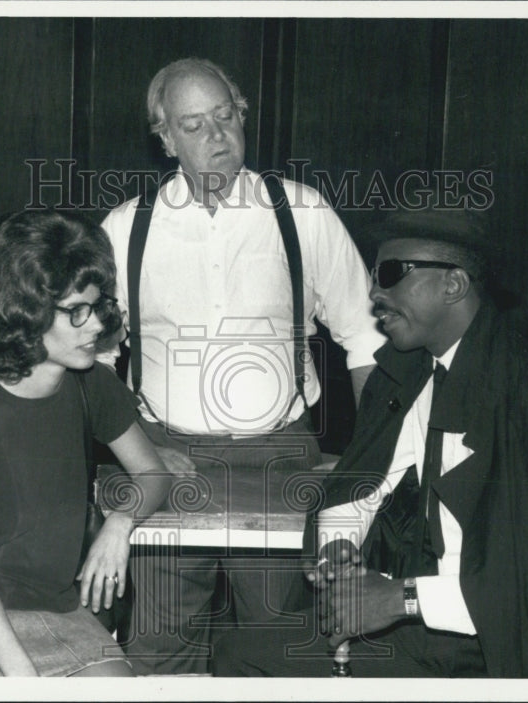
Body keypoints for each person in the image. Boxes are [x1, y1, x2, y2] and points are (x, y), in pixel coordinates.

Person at [212, 208, 528, 677]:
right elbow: (365, 483)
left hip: (502, 649)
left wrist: (403, 598)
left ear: (453, 285)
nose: (374, 292)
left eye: (392, 275)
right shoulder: (408, 375)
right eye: (376, 275)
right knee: (240, 650)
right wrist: (340, 547)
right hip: (416, 626)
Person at [98, 57, 386, 674]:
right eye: (194, 125)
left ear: (243, 115)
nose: (216, 137)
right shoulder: (126, 228)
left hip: (281, 458)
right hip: (164, 461)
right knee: (158, 648)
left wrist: (372, 457)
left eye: (225, 117)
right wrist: (139, 446)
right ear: (165, 137)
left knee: (281, 647)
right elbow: (92, 360)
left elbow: (366, 337)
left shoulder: (302, 212)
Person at [0, 210, 172, 676]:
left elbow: (154, 472)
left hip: (50, 605)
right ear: (25, 312)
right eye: (76, 311)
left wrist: (120, 525)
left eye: (98, 306)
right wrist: (23, 679)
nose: (96, 326)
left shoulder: (91, 385)